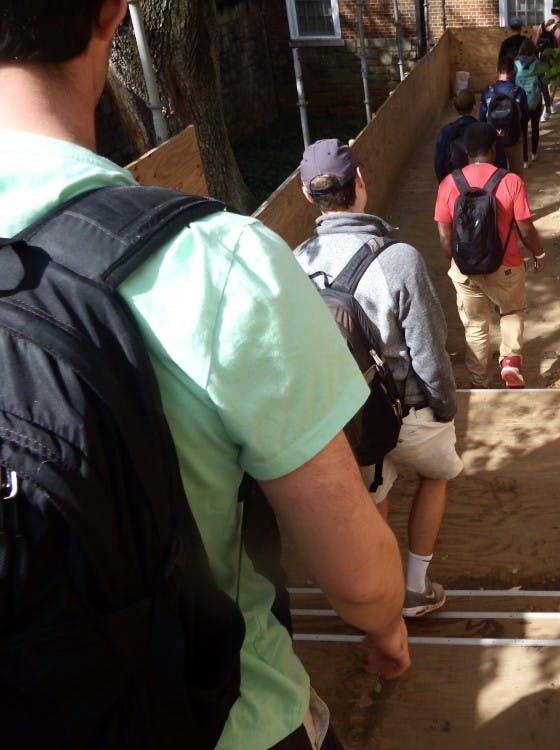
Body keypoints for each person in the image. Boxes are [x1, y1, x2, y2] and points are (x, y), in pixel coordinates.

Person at [0, 2, 410, 749]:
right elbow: (358, 576)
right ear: (111, 16)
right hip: (226, 721)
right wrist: (385, 626)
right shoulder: (215, 264)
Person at [293, 139, 463, 617]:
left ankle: (382, 589)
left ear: (309, 196)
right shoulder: (399, 258)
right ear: (359, 182)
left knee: (375, 490)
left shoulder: (294, 262)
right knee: (438, 472)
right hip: (407, 412)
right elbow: (428, 344)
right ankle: (414, 586)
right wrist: (445, 407)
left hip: (346, 420)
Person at [433, 123, 546, 389]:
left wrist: (461, 263)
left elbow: (444, 237)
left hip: (465, 270)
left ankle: (479, 381)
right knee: (512, 311)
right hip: (505, 266)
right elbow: (526, 229)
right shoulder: (511, 182)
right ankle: (510, 362)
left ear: (465, 151)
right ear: (493, 150)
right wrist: (538, 253)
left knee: (475, 325)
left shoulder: (449, 184)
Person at [479, 55, 529, 175]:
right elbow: (525, 117)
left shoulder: (487, 92)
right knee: (517, 176)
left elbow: (481, 118)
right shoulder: (519, 92)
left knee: (495, 177)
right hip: (513, 139)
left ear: (497, 70)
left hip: (493, 143)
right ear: (513, 71)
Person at [514, 38, 551, 166]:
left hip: (520, 103)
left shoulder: (515, 64)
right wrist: (548, 102)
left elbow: (512, 85)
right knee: (535, 128)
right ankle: (534, 154)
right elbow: (543, 85)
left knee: (523, 132)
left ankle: (524, 160)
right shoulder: (537, 64)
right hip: (535, 101)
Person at [434, 88, 478, 182]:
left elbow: (439, 162)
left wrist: (444, 184)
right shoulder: (483, 129)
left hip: (455, 181)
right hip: (478, 182)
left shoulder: (445, 131)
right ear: (474, 107)